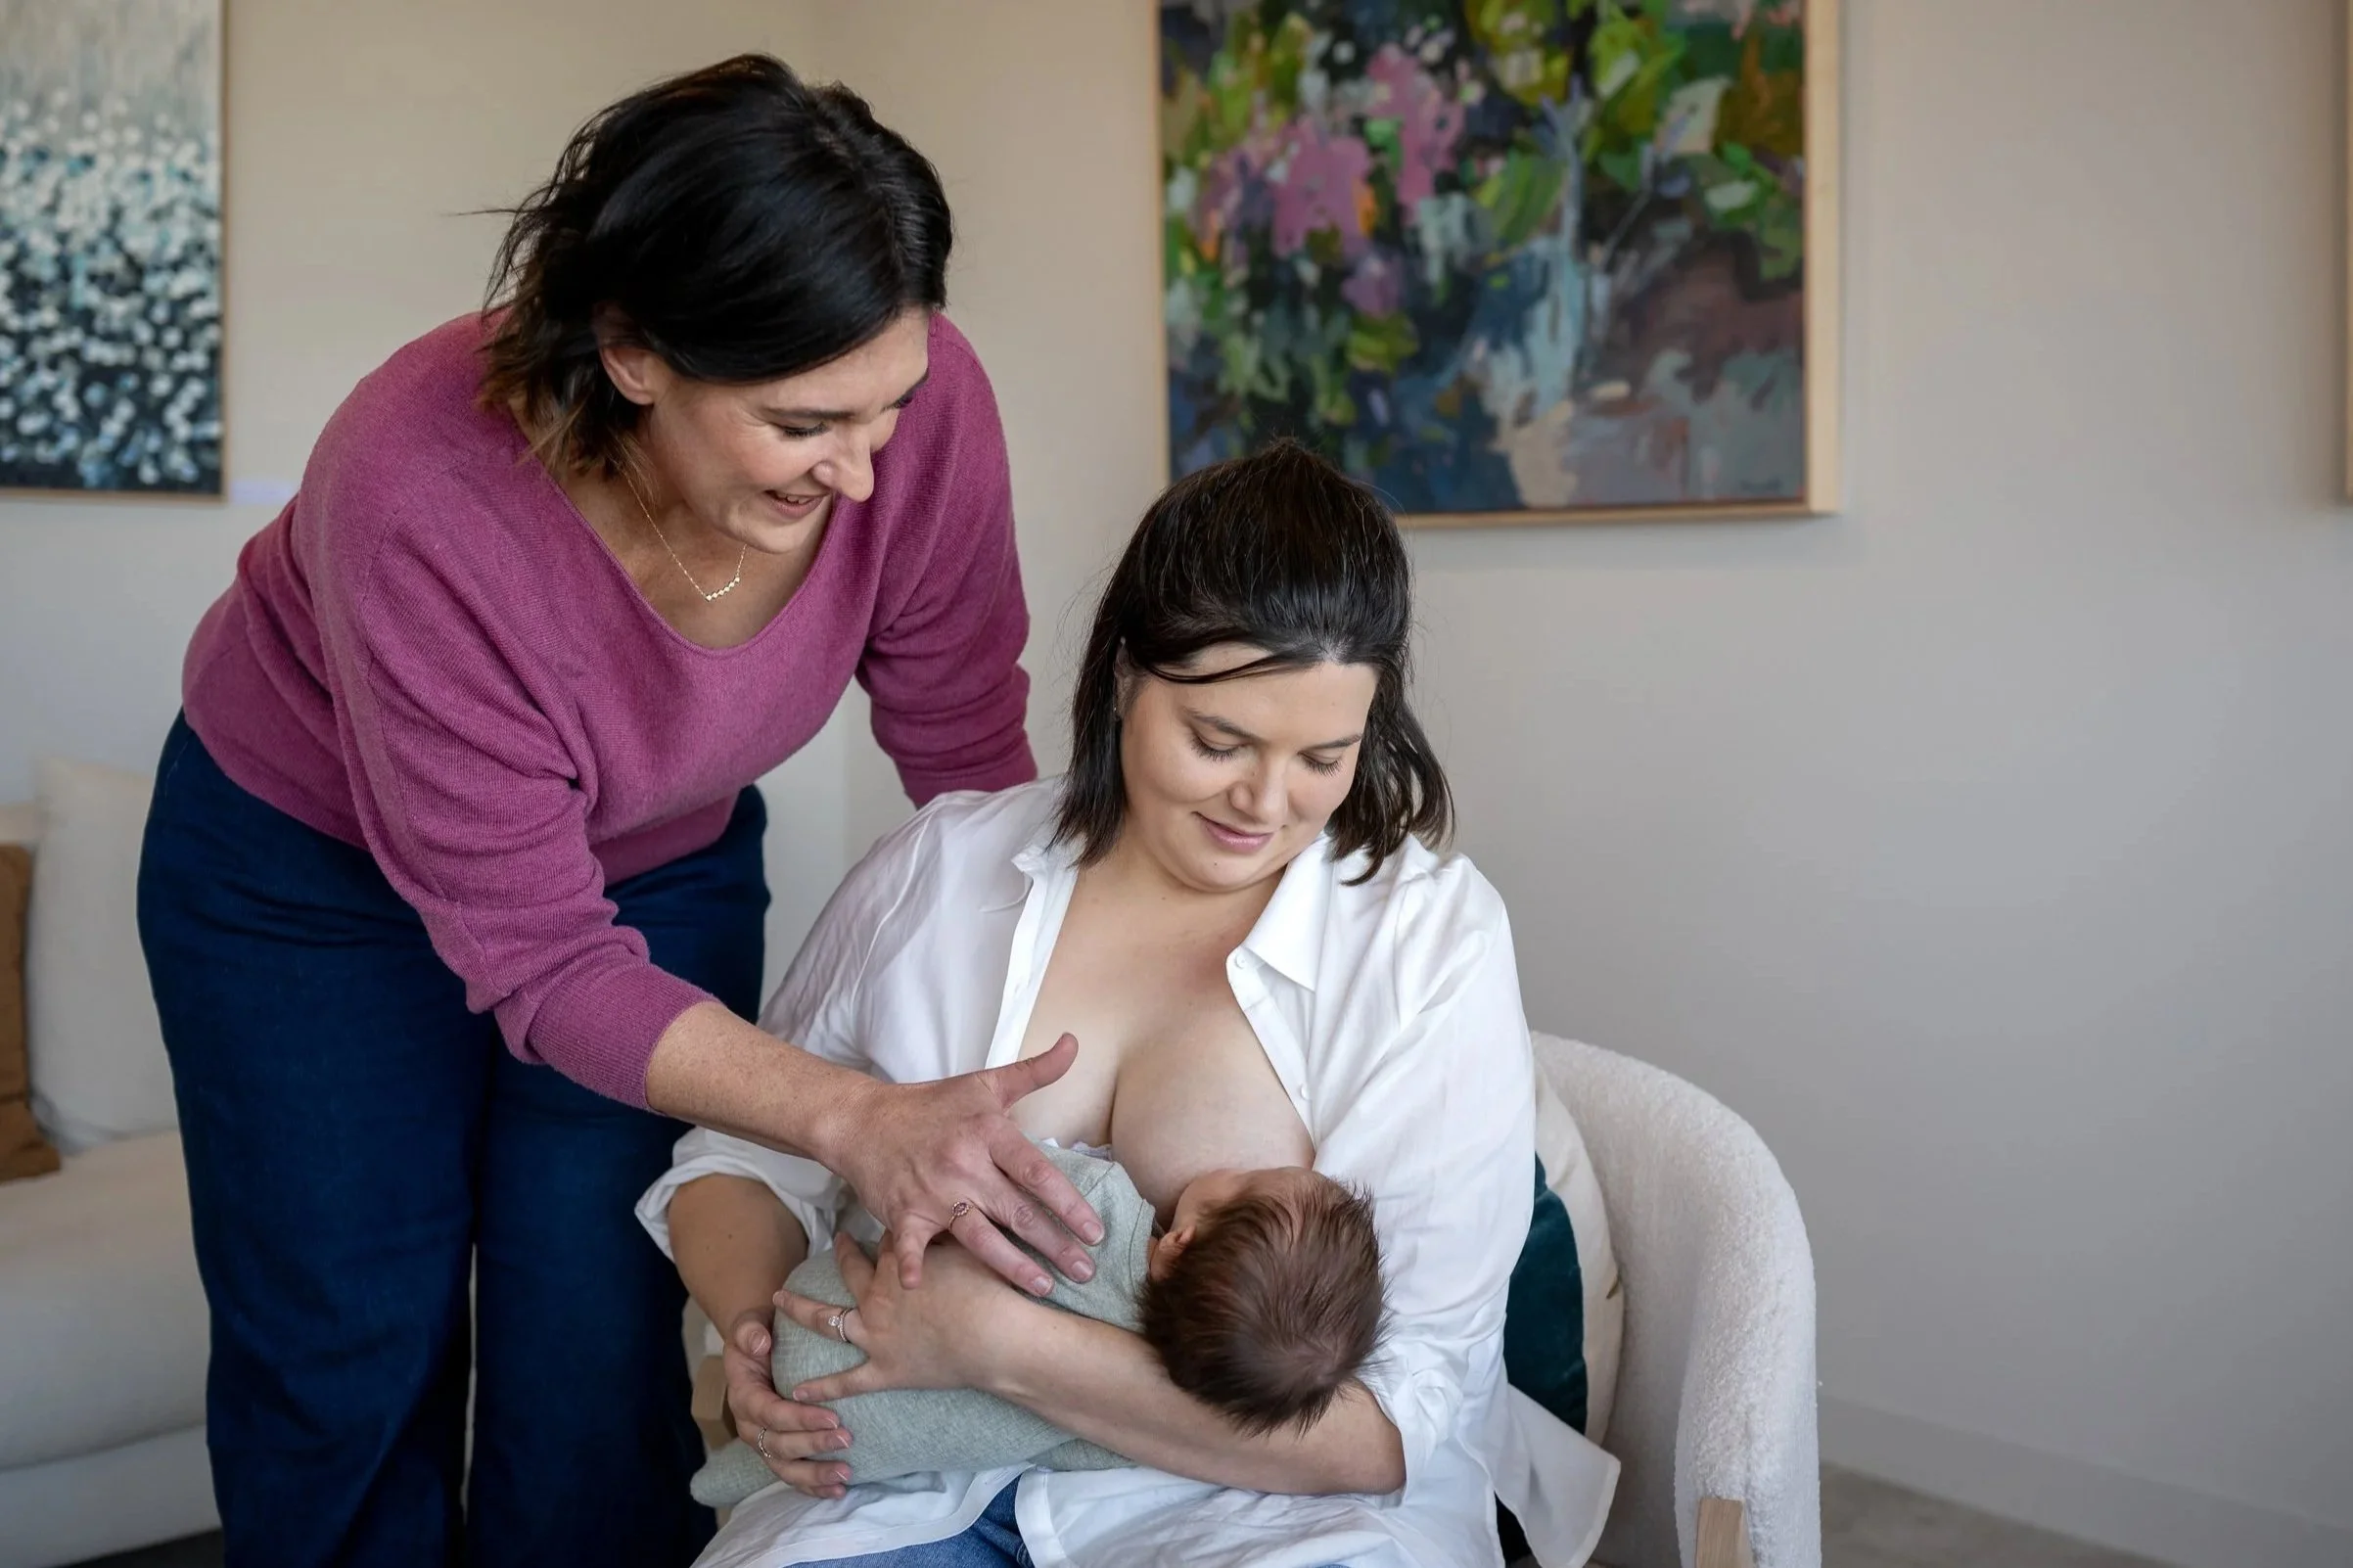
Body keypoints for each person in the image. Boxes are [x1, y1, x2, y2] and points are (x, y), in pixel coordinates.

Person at [134, 56, 1104, 1568]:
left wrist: (1056, 1006)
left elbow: (960, 740)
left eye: (890, 406)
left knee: (598, 1346)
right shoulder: (419, 484)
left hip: (658, 858)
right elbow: (537, 956)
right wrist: (852, 1112)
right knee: (342, 1347)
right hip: (301, 883)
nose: (864, 473)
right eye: (802, 426)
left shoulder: (911, 407)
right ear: (636, 354)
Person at [644, 441, 1544, 1568]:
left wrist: (996, 1345)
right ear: (1124, 677)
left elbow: (1398, 1425)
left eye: (1325, 756)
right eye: (1219, 742)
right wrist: (759, 1337)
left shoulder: (1425, 939)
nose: (1266, 804)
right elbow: (741, 1155)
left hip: (1268, 1515)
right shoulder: (941, 870)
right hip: (908, 1479)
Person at [684, 1146, 1384, 1502]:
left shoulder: (1093, 1208)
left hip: (818, 1317)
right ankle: (735, 1476)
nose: (1231, 1168)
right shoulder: (1133, 1437)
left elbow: (950, 1191)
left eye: (1246, 1178)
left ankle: (727, 1476)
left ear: (1181, 1243)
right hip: (841, 1451)